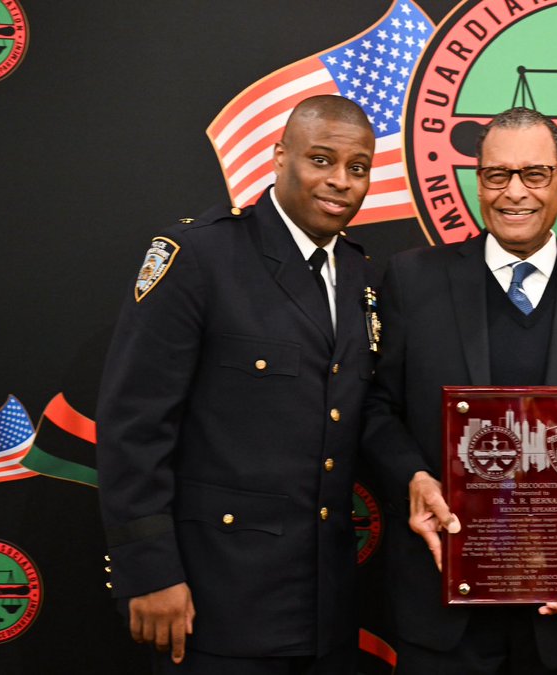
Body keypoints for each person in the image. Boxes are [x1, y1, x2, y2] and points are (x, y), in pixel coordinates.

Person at [96, 95, 378, 674]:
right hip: (213, 603)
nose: (340, 182)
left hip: (324, 610)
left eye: (357, 168)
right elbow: (134, 427)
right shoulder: (201, 256)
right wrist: (150, 571)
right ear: (279, 157)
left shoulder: (360, 274)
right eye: (321, 160)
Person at [362, 107, 557, 674]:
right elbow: (375, 408)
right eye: (497, 175)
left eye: (534, 174)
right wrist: (411, 477)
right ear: (477, 181)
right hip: (442, 611)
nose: (515, 192)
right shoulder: (412, 280)